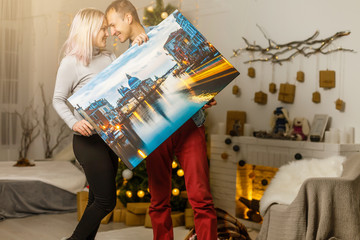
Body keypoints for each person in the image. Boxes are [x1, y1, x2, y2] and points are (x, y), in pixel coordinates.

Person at [105, 1, 218, 240]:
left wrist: (204, 93)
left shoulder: (165, 32)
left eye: (113, 25)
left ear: (128, 18)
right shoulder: (124, 61)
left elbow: (190, 72)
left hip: (189, 126)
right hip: (157, 136)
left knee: (201, 197)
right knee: (158, 201)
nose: (111, 32)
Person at [53, 8, 118, 240]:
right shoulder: (71, 63)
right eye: (102, 28)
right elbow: (58, 99)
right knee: (106, 201)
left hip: (110, 139)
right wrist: (73, 123)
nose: (108, 32)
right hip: (87, 140)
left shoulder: (110, 58)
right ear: (88, 29)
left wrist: (140, 43)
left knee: (95, 199)